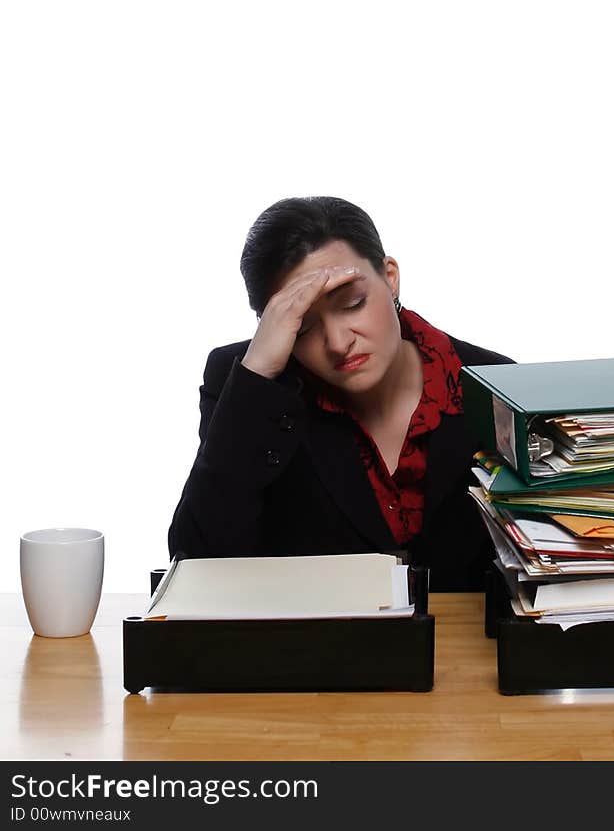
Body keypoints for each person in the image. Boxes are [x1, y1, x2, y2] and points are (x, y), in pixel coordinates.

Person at [168, 195, 515, 590]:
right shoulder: (247, 386)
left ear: (390, 277)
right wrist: (257, 377)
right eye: (302, 326)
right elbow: (194, 567)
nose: (337, 342)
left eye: (352, 303)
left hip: (470, 647)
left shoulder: (496, 384)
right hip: (314, 647)